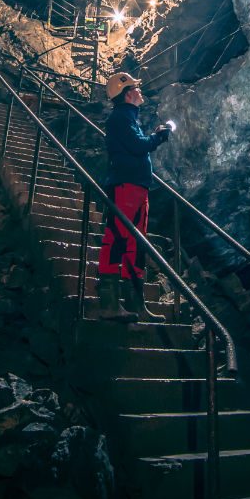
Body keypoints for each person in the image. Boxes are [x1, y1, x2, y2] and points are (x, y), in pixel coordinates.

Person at [96, 72, 171, 322]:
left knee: (136, 244)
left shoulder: (129, 117)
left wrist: (154, 137)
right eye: (136, 88)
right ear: (127, 93)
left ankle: (136, 305)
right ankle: (108, 304)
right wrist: (158, 136)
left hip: (137, 187)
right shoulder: (119, 118)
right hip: (125, 186)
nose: (140, 91)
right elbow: (138, 146)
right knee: (117, 238)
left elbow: (138, 144)